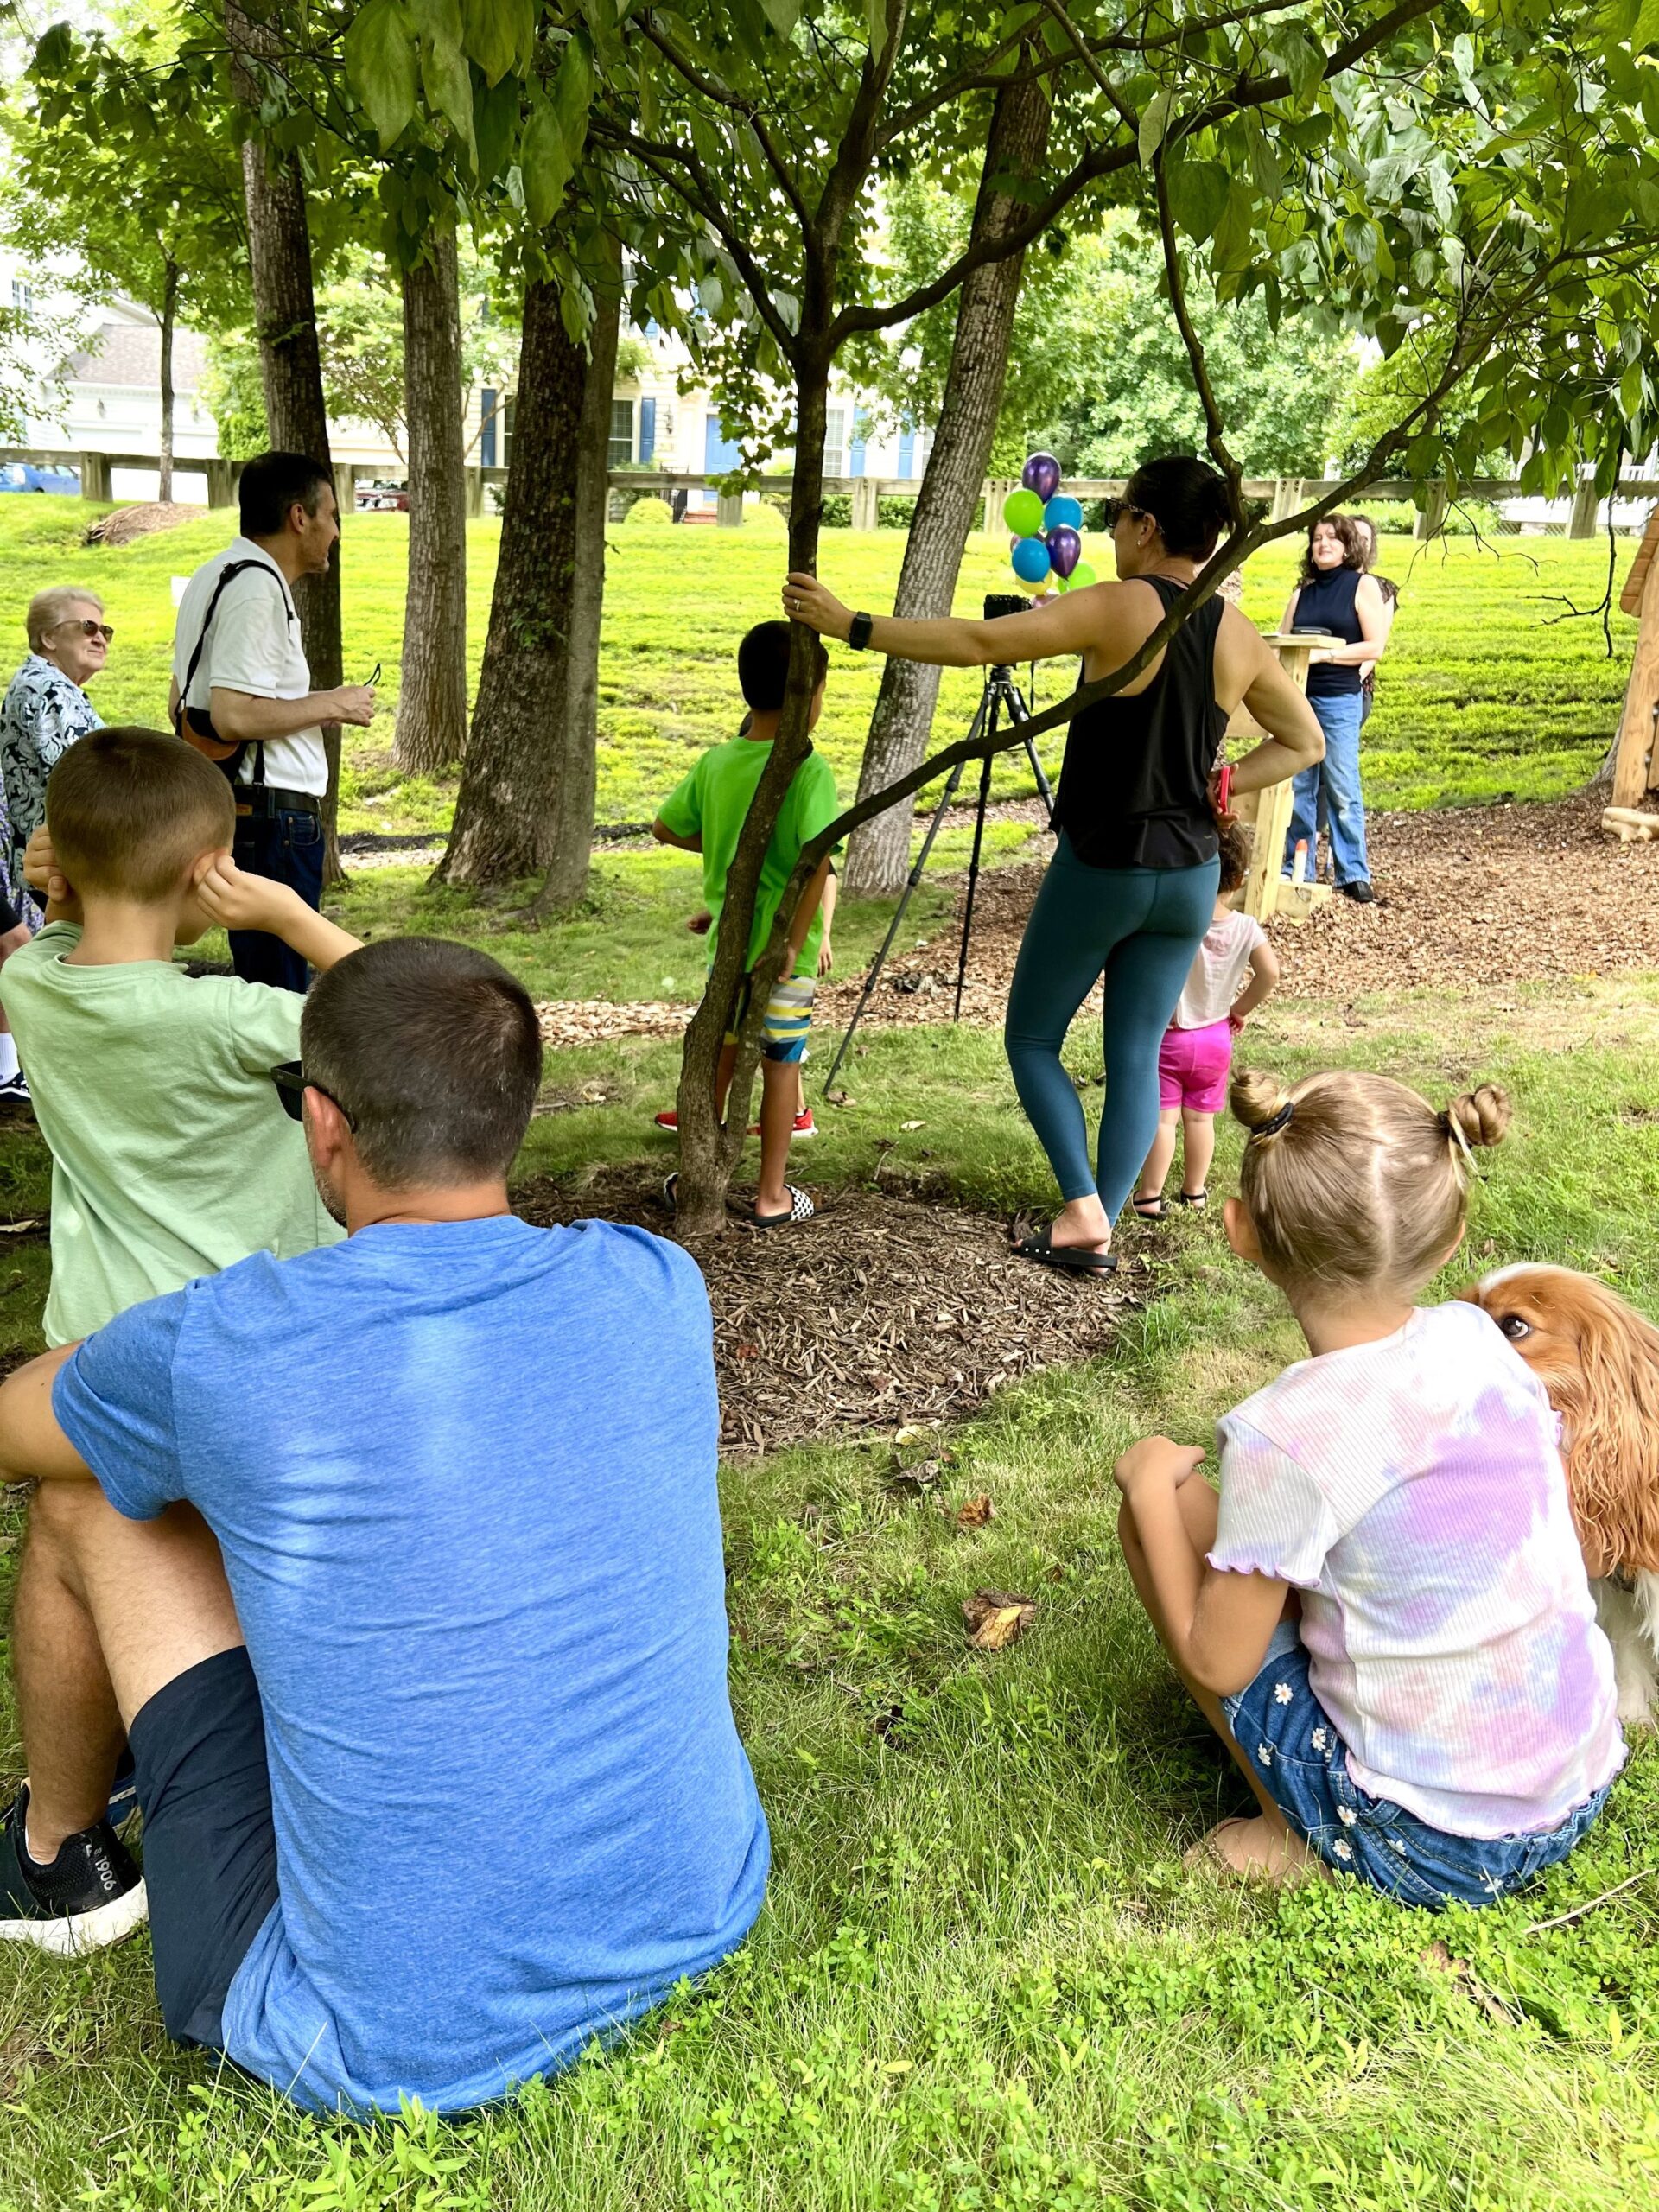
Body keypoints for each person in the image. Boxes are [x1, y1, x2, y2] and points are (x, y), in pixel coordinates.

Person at [0, 934, 769, 2115]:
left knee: (85, 1495)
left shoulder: (230, 1344)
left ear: (322, 1124)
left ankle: (55, 1862)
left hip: (378, 2035)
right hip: (696, 1903)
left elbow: (17, 1426)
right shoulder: (655, 1284)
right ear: (511, 1116)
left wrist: (142, 1354)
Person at [784, 454, 1323, 1275]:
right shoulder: (1236, 630)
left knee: (1033, 1035)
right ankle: (1103, 1218)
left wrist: (852, 625)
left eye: (1119, 518)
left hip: (1105, 861)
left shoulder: (1118, 607)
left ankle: (1081, 1206)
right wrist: (1224, 780)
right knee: (1137, 1053)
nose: (1112, 533)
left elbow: (977, 642)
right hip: (1188, 875)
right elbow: (1305, 743)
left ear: (1145, 525)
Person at [1114, 1066, 1624, 1899]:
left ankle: (1290, 1835)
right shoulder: (1483, 1340)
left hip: (1436, 1845)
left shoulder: (1288, 1434)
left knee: (1169, 1506)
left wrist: (1142, 1486)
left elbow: (1217, 1659)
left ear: (1240, 1232)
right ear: (1450, 1237)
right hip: (1574, 1788)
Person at [0, 728, 354, 1349]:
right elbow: (423, 1018)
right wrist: (290, 915)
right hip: (235, 1335)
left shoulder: (26, 982)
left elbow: (62, 933)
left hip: (93, 1335)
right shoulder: (230, 1017)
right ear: (208, 871)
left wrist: (67, 882)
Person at [651, 622, 840, 1227]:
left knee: (722, 1059)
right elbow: (815, 863)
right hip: (787, 958)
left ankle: (701, 1176)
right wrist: (787, 940)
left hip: (728, 953)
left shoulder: (717, 762)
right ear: (806, 694)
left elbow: (665, 826)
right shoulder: (808, 770)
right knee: (784, 1065)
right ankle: (772, 1196)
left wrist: (727, 863)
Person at [169, 451, 376, 993]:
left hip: (242, 810)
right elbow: (232, 713)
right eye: (331, 515)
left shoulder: (211, 576)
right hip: (274, 821)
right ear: (298, 517)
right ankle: (285, 1081)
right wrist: (337, 703)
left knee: (266, 983)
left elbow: (180, 701)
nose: (336, 531)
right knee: (281, 998)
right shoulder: (257, 586)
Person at [1133, 819, 1280, 1219]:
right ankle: (1195, 1193)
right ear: (1240, 877)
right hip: (1217, 1037)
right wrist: (1239, 1009)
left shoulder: (1179, 918)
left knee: (1164, 1121)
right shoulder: (1246, 928)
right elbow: (1270, 974)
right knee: (1200, 1119)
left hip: (1173, 1036)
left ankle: (1150, 1195)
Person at [0, 588, 111, 1101]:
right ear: (48, 637)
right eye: (86, 627)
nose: (100, 637)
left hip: (61, 856)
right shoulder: (43, 687)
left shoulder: (54, 687)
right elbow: (87, 773)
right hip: (63, 859)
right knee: (75, 964)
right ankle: (66, 1074)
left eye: (105, 630)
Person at [1280, 516, 1390, 904]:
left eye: (1331, 537)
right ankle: (1298, 869)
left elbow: (1374, 647)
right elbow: (1282, 644)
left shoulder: (1362, 587)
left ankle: (1353, 874)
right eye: (1316, 538)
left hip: (1340, 699)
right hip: (1298, 700)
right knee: (1300, 788)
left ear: (1347, 546)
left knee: (1342, 787)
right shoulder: (1301, 594)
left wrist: (1326, 655)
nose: (1323, 544)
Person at [1350, 513, 1400, 728]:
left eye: (1365, 539)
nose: (1359, 544)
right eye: (1353, 537)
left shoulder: (1383, 589)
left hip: (1355, 688)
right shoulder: (1312, 585)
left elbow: (1376, 645)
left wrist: (1352, 681)